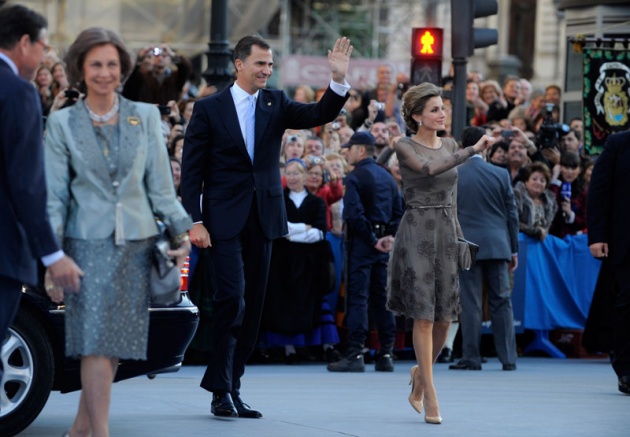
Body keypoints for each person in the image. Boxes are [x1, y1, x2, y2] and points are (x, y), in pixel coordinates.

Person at [180, 34, 352, 418]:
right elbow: (191, 172)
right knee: (232, 299)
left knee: (253, 306)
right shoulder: (209, 108)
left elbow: (318, 115)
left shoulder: (275, 102)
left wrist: (338, 81)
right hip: (222, 221)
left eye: (271, 65)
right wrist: (194, 219)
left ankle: (232, 386)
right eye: (260, 63)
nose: (267, 70)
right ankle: (220, 387)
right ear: (239, 64)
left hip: (265, 218)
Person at [44, 27, 192, 436]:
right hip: (83, 246)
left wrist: (182, 232)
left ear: (123, 69)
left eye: (112, 64)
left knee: (115, 346)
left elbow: (161, 188)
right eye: (96, 64)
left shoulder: (144, 117)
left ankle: (79, 430)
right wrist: (52, 258)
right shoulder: (61, 124)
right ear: (79, 68)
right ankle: (100, 433)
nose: (105, 72)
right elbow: (54, 198)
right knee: (95, 342)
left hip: (136, 245)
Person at [386, 83, 494, 424]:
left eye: (442, 108)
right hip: (417, 229)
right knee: (423, 314)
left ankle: (422, 374)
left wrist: (460, 238)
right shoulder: (404, 145)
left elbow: (454, 195)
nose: (441, 113)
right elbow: (430, 170)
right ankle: (430, 396)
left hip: (447, 230)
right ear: (417, 116)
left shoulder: (448, 144)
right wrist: (472, 151)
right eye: (434, 109)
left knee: (446, 317)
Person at [0, 0, 83, 387]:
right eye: (42, 47)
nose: (43, 56)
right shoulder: (17, 92)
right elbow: (26, 182)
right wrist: (53, 255)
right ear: (24, 42)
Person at [327, 131, 403, 373]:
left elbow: (353, 214)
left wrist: (372, 240)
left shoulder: (355, 177)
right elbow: (399, 211)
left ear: (361, 150)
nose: (346, 151)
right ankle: (386, 354)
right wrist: (388, 238)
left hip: (363, 244)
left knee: (358, 298)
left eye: (349, 148)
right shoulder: (388, 177)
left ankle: (355, 353)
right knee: (382, 299)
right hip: (383, 244)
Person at [449, 126, 519, 372]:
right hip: (498, 244)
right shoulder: (501, 175)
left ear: (463, 145)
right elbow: (512, 214)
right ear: (486, 145)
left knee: (470, 302)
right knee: (502, 301)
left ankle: (471, 357)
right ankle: (508, 358)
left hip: (466, 245)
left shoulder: (454, 173)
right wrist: (513, 249)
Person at [260, 158, 338, 363]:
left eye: (297, 173)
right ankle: (288, 348)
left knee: (309, 304)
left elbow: (320, 233)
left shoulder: (316, 202)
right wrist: (304, 228)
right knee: (283, 304)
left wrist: (291, 231)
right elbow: (277, 229)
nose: (293, 177)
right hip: (282, 263)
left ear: (305, 176)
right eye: (289, 173)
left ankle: (311, 346)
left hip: (309, 263)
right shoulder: (279, 200)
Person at [587, 130, 630, 395]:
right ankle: (626, 368)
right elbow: (599, 191)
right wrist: (597, 236)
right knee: (627, 303)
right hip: (624, 242)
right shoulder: (618, 143)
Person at [513, 162, 557, 241]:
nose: (538, 183)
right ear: (526, 182)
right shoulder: (517, 196)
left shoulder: (550, 203)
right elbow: (513, 221)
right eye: (534, 179)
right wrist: (534, 232)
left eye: (542, 181)